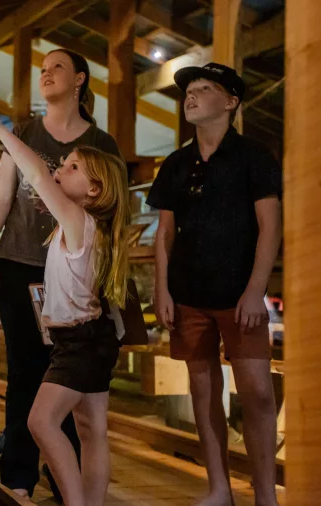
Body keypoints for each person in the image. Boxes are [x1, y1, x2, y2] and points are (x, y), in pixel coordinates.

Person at [0, 48, 121, 501]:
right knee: (71, 409)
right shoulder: (75, 220)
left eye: (58, 66)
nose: (46, 72)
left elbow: (37, 174)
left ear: (80, 79)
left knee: (53, 414)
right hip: (40, 283)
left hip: (78, 325)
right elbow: (4, 196)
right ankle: (33, 481)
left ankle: (69, 491)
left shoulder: (78, 211)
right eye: (42, 67)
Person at [147, 63, 281, 506]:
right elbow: (165, 233)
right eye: (189, 89)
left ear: (230, 102)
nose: (191, 95)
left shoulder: (253, 155)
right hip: (187, 294)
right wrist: (162, 289)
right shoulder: (175, 163)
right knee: (203, 392)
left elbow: (270, 227)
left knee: (257, 392)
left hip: (240, 295)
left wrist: (255, 290)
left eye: (204, 88)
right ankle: (219, 489)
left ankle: (265, 495)